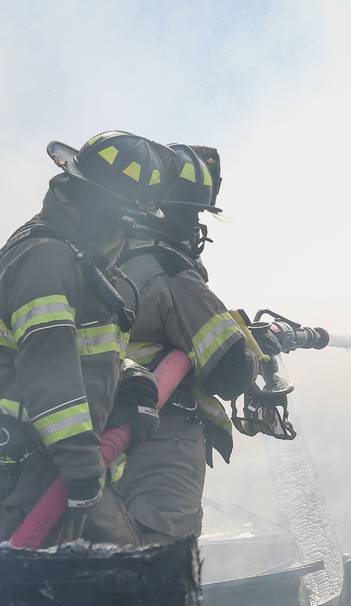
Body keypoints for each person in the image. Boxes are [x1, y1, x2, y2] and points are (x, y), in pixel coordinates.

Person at [0, 131, 176, 544]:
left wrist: (133, 379)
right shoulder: (48, 260)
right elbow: (49, 373)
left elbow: (87, 349)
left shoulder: (77, 257)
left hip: (63, 462)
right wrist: (82, 464)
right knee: (40, 588)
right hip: (43, 467)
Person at [113, 143, 257, 544]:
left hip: (108, 438)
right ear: (163, 211)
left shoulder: (106, 263)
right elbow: (230, 374)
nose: (195, 226)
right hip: (161, 446)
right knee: (161, 565)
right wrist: (254, 354)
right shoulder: (171, 273)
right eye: (191, 213)